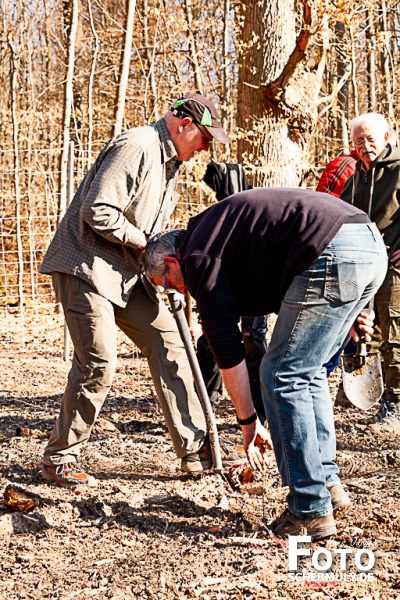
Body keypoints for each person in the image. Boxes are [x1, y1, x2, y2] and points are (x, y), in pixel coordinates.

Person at [142, 187, 386, 539]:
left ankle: (308, 506)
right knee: (307, 372)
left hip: (330, 249)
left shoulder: (198, 259)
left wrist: (248, 422)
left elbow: (228, 354)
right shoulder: (217, 236)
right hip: (366, 242)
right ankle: (328, 484)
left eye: (165, 284)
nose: (177, 293)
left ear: (169, 263)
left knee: (280, 376)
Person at [39, 92, 231, 486]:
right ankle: (60, 457)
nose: (206, 146)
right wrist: (144, 242)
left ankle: (196, 449)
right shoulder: (138, 145)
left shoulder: (171, 165)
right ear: (184, 126)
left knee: (170, 342)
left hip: (127, 275)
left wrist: (166, 273)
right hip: (86, 267)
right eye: (205, 137)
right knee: (99, 362)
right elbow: (98, 211)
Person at [341, 112, 400, 435]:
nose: (365, 146)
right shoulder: (355, 178)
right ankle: (375, 398)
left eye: (370, 138)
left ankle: (397, 405)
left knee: (394, 331)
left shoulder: (398, 169)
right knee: (366, 329)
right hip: (361, 264)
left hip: (393, 265)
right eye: (358, 140)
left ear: (387, 137)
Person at [198, 162, 267, 423]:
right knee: (213, 338)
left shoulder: (251, 211)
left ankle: (259, 412)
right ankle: (205, 401)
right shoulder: (214, 216)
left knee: (253, 340)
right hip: (225, 286)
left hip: (253, 286)